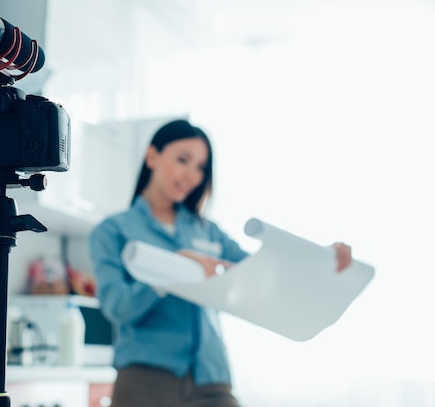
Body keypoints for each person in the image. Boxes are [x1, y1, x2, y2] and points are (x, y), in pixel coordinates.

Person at [88, 119, 352, 407]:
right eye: (183, 160)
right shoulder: (113, 231)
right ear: (152, 156)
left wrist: (320, 259)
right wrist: (171, 273)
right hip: (146, 381)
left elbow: (261, 272)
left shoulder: (208, 231)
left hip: (212, 378)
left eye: (201, 166)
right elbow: (117, 307)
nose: (192, 174)